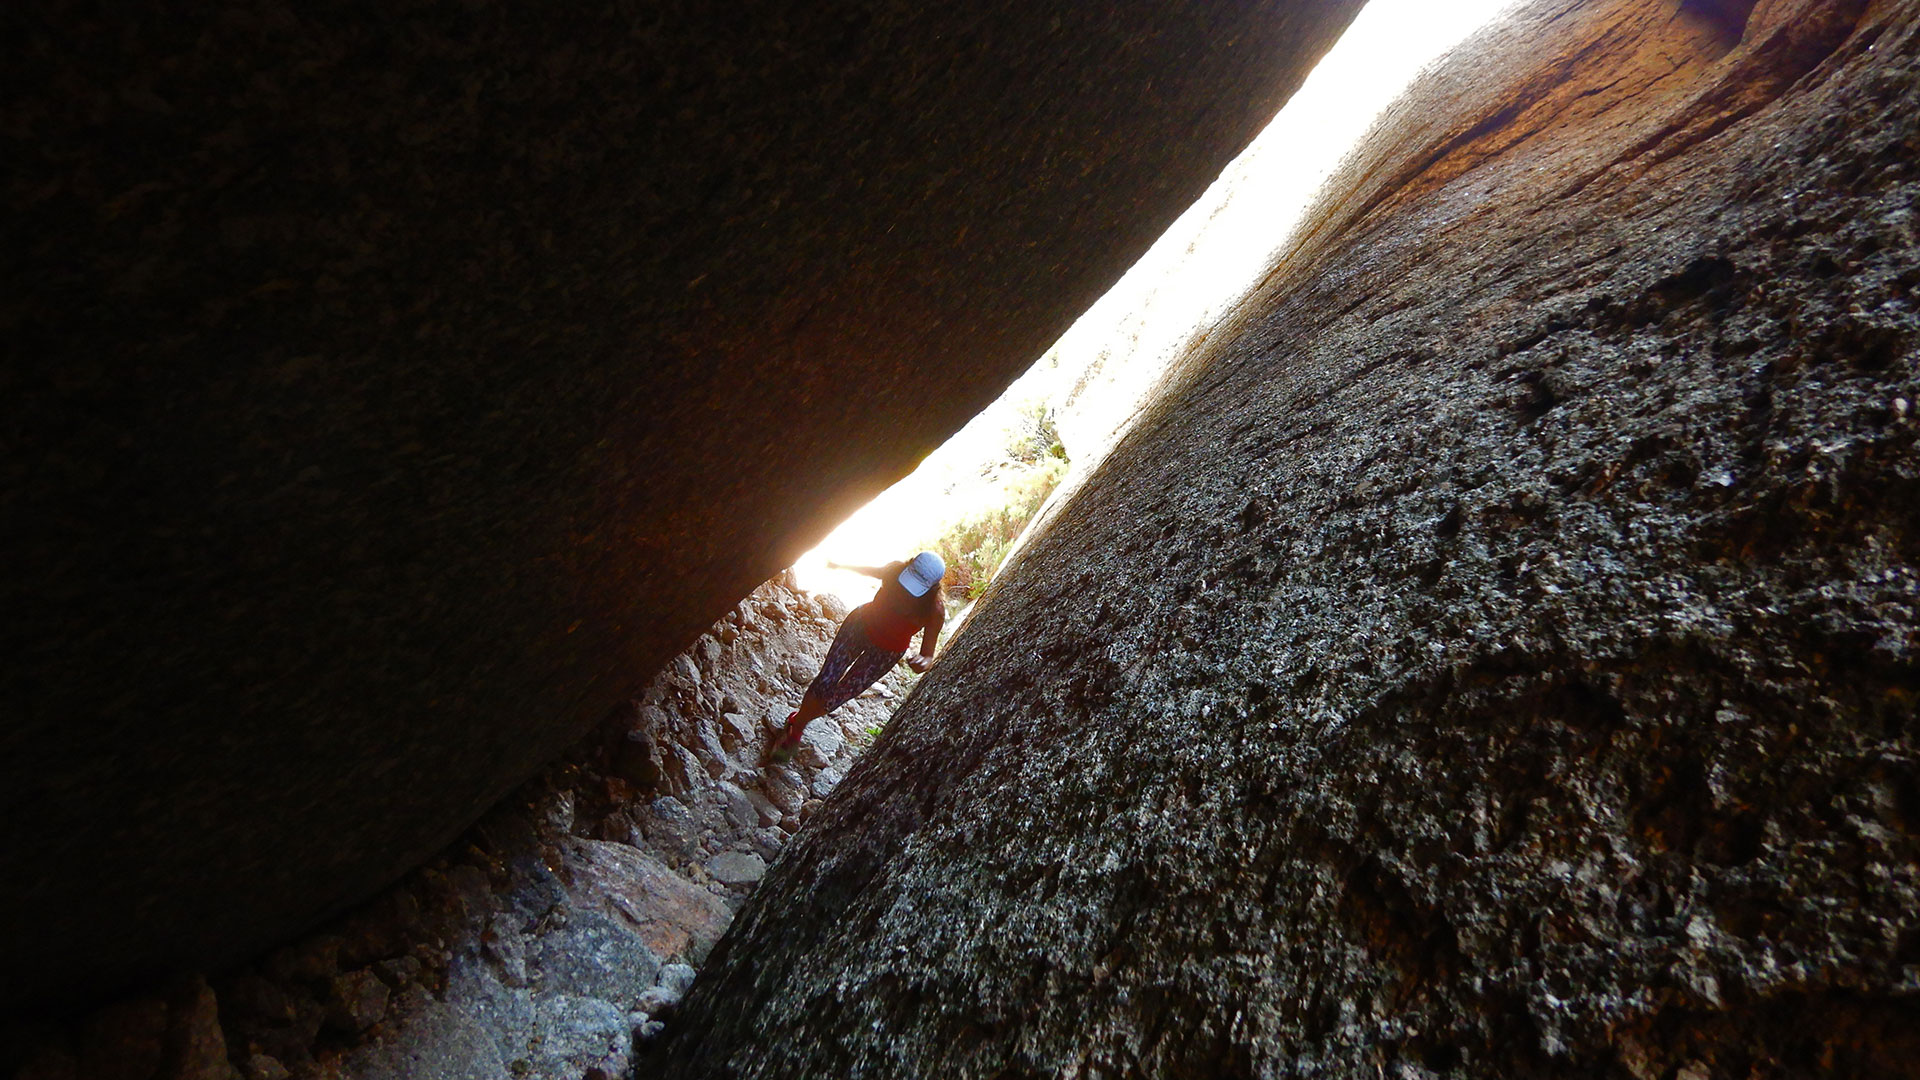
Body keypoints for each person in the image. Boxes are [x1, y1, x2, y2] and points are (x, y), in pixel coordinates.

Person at [768, 551, 946, 762]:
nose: (907, 591)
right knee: (826, 679)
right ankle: (796, 730)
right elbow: (871, 571)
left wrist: (922, 662)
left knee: (838, 696)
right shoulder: (893, 571)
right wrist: (839, 565)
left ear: (932, 588)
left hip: (885, 653)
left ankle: (798, 722)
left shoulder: (934, 610)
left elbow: (928, 654)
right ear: (908, 566)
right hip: (859, 626)